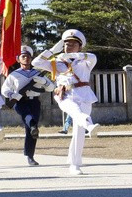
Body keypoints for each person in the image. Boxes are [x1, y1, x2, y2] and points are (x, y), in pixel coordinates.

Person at [32, 29, 100, 175]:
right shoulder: (56, 62)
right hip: (65, 95)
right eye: (66, 44)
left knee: (78, 132)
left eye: (73, 44)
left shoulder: (85, 62)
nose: (69, 46)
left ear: (80, 47)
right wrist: (52, 50)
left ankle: (74, 164)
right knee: (76, 113)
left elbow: (93, 57)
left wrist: (74, 55)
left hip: (84, 95)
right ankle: (90, 125)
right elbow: (35, 62)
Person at [2, 45, 55, 165]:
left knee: (31, 130)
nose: (26, 59)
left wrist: (44, 81)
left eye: (28, 56)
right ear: (18, 59)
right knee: (28, 118)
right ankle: (31, 125)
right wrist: (12, 95)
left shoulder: (37, 73)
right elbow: (4, 89)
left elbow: (51, 88)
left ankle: (30, 156)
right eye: (23, 56)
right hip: (19, 101)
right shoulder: (14, 74)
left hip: (34, 101)